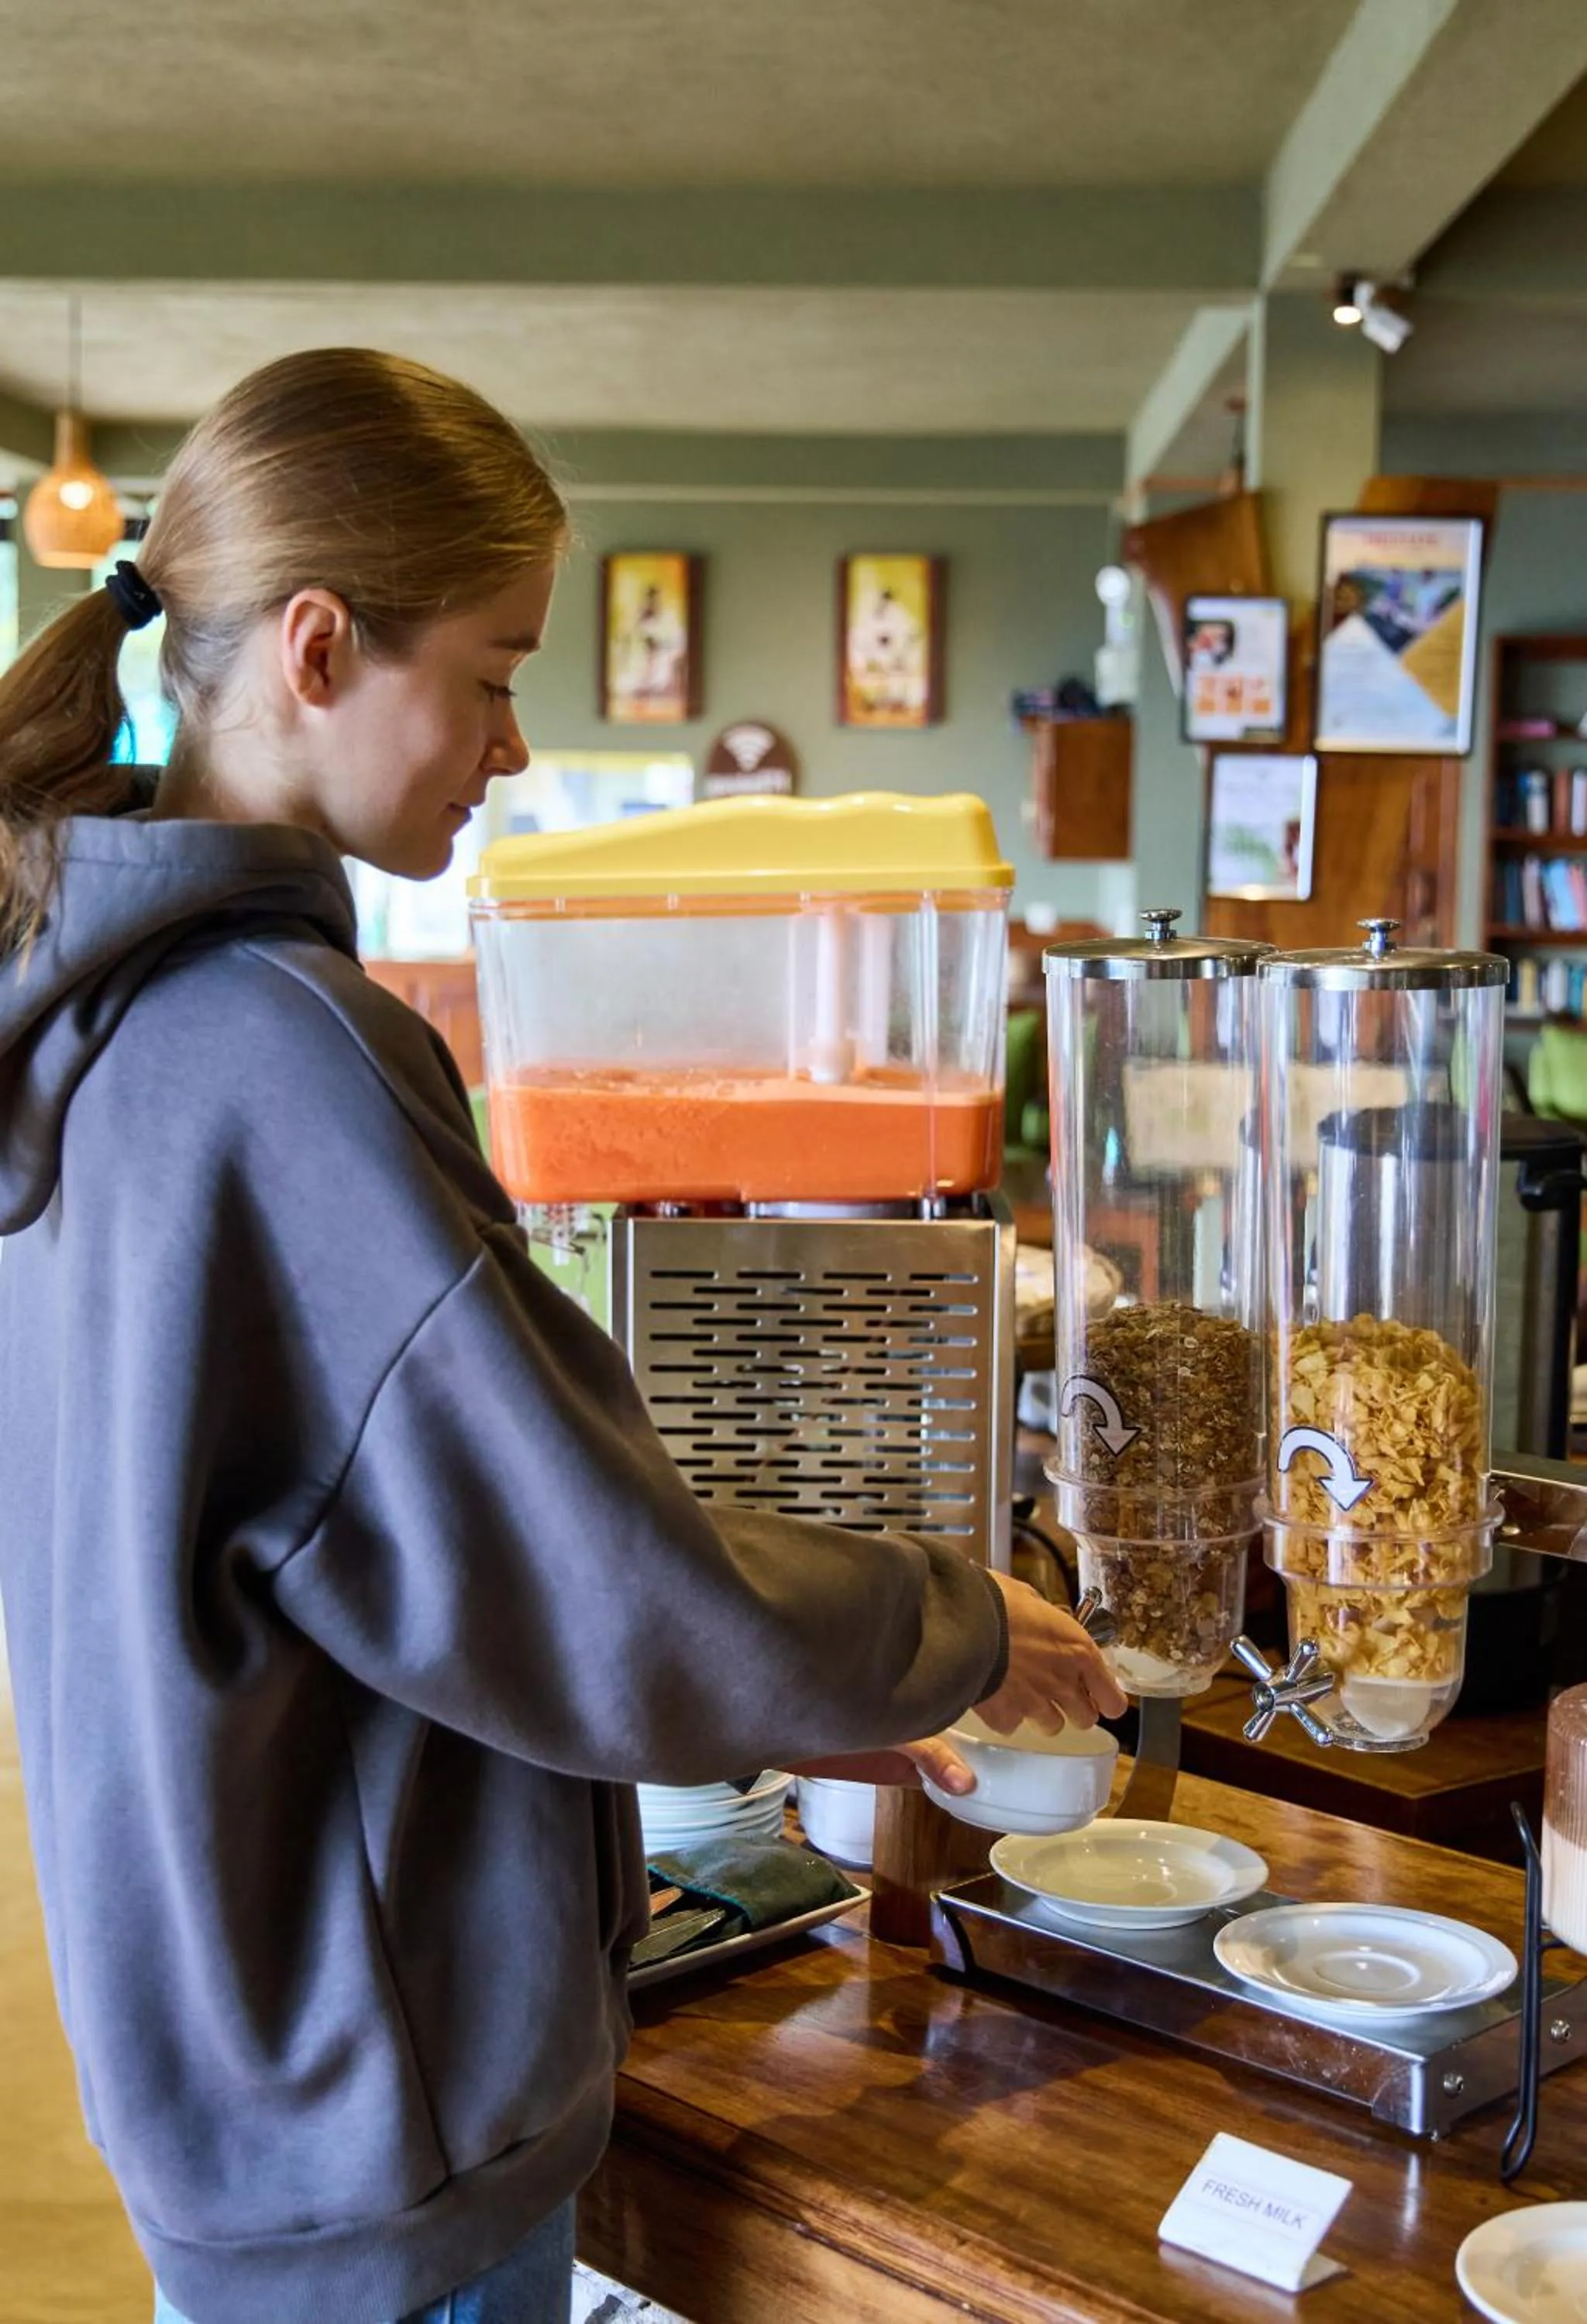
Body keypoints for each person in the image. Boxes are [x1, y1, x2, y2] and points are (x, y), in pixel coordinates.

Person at [0, 349, 1125, 2324]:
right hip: (388, 2123)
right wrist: (950, 1614)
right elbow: (584, 1587)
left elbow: (366, 1564)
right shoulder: (280, 1054)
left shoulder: (91, 1034)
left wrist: (812, 1691)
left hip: (239, 2076)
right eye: (501, 672)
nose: (514, 746)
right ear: (323, 648)